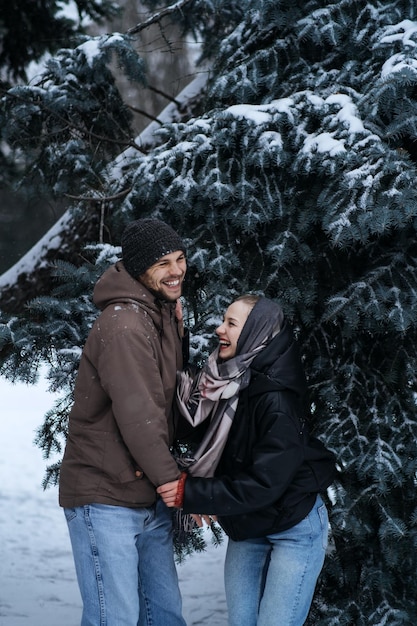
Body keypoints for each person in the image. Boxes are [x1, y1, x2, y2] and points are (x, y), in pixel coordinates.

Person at [157, 294, 336, 626]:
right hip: (249, 523)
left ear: (259, 334)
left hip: (293, 527)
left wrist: (190, 492)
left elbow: (264, 483)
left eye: (231, 324)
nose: (219, 329)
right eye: (223, 320)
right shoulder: (229, 379)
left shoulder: (277, 401)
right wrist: (176, 331)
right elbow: (186, 415)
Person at [59, 218, 188, 626]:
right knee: (114, 617)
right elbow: (140, 415)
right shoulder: (126, 325)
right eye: (163, 263)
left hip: (143, 492)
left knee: (163, 616)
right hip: (106, 496)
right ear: (138, 270)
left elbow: (171, 400)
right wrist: (172, 481)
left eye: (180, 258)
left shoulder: (160, 313)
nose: (177, 270)